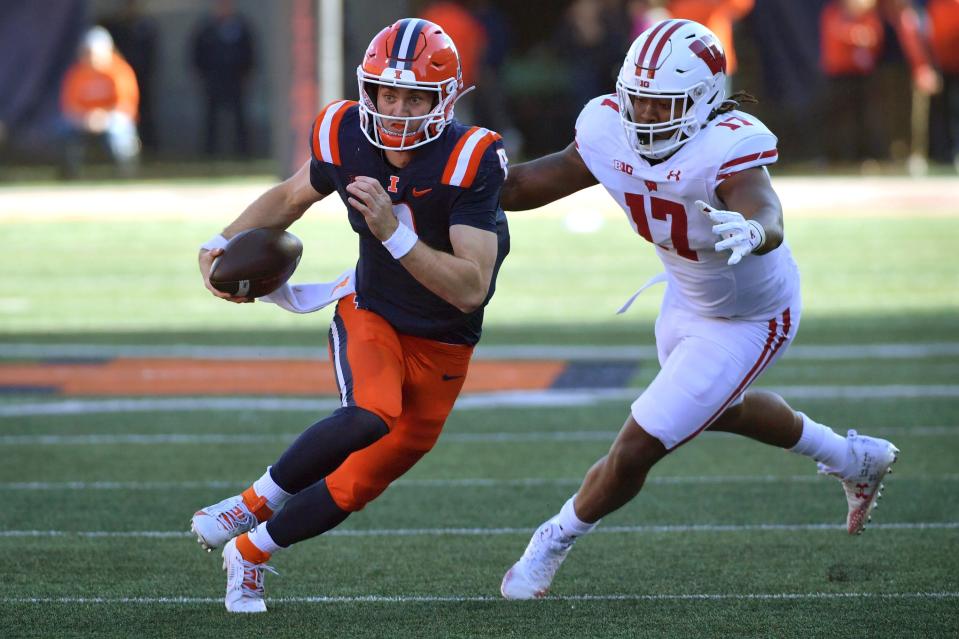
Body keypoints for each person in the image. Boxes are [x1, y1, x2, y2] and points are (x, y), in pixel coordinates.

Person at [498, 19, 899, 600]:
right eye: (637, 102)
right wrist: (454, 180)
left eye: (662, 107)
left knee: (638, 445)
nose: (643, 118)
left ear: (703, 102)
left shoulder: (726, 146)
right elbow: (525, 187)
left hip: (750, 319)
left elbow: (767, 212)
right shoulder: (609, 128)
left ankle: (552, 539)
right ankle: (851, 457)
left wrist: (755, 232)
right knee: (718, 409)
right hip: (685, 300)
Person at [190, 18, 509, 613]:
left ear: (446, 97)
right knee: (370, 412)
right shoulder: (343, 131)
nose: (398, 107)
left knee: (357, 483)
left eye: (415, 95)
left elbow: (470, 288)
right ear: (369, 89)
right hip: (373, 311)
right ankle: (248, 503)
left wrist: (391, 232)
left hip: (446, 341)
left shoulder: (472, 158)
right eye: (388, 92)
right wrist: (220, 242)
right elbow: (290, 198)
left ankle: (251, 554)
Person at [59, 26, 140, 178]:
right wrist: (86, 118)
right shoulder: (77, 73)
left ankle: (125, 173)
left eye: (94, 53)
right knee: (63, 128)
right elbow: (69, 105)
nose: (90, 58)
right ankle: (70, 173)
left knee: (119, 129)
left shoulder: (119, 71)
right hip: (85, 119)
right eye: (87, 53)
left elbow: (125, 105)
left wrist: (102, 117)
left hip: (111, 117)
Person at [190, 0, 255, 157]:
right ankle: (209, 153)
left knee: (239, 118)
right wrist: (203, 75)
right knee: (211, 118)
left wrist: (246, 74)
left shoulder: (241, 27)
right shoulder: (206, 29)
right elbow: (196, 53)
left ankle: (242, 153)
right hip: (213, 79)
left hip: (235, 79)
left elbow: (250, 53)